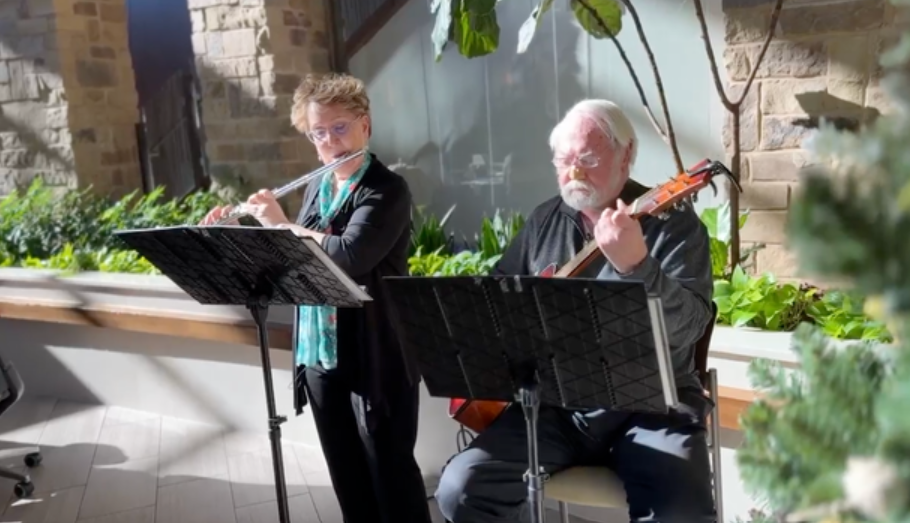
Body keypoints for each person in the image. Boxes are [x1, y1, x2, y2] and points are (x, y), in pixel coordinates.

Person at [434, 99, 716, 523]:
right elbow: (497, 296)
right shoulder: (545, 221)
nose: (574, 172)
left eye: (587, 158)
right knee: (463, 486)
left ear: (627, 155)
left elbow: (690, 327)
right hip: (561, 409)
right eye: (564, 161)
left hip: (655, 407)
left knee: (679, 511)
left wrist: (637, 267)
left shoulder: (673, 224)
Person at [200, 73, 431, 523]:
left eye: (340, 128)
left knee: (391, 475)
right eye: (318, 133)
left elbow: (349, 257)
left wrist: (280, 224)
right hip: (321, 355)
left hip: (377, 357)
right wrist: (231, 230)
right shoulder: (317, 190)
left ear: (365, 125)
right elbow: (288, 257)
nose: (330, 143)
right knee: (347, 475)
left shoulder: (386, 190)